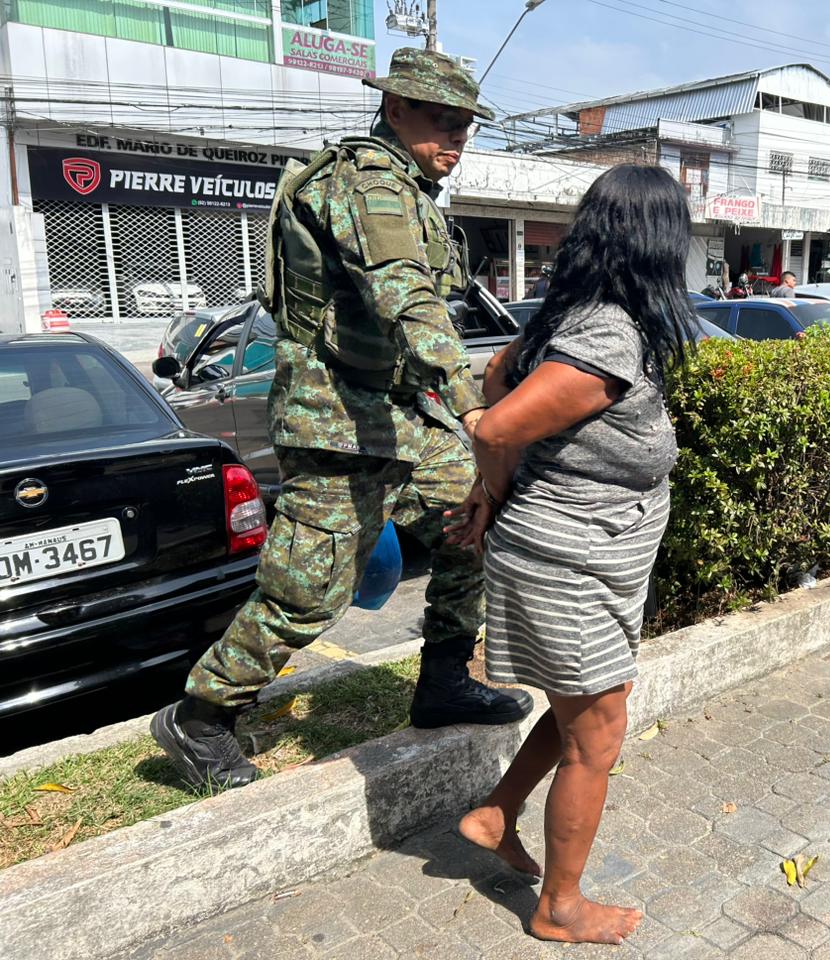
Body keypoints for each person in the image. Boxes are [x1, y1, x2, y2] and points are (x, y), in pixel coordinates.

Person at [149, 48, 533, 792]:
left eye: (465, 125)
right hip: (335, 422)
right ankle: (199, 718)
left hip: (394, 416)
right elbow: (408, 302)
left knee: (475, 513)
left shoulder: (412, 188)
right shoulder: (366, 183)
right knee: (308, 593)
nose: (455, 138)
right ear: (395, 110)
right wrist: (475, 405)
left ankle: (444, 679)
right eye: (440, 121)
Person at [448, 164, 694, 946]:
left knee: (578, 706)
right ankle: (559, 907)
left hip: (590, 555)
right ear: (659, 241)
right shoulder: (608, 333)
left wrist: (494, 497)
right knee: (598, 735)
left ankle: (494, 814)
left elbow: (496, 370)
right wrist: (495, 488)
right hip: (568, 559)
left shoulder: (583, 312)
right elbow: (492, 423)